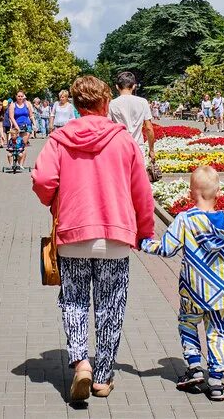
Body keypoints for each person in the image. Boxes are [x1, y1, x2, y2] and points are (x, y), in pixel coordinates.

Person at [31, 75, 155, 402]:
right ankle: (102, 377)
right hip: (114, 237)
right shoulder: (124, 141)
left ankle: (81, 363)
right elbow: (141, 191)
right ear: (104, 104)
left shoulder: (60, 138)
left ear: (75, 104)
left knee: (74, 301)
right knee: (110, 305)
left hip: (72, 233)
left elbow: (43, 179)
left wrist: (53, 199)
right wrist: (145, 231)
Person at [140, 165, 224, 402]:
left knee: (188, 325)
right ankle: (216, 381)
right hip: (220, 293)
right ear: (218, 192)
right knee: (218, 333)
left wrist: (144, 243)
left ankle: (195, 366)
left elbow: (167, 249)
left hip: (192, 291)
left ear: (191, 193)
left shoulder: (184, 220)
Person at [108, 71, 156, 162]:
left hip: (120, 148)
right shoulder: (143, 102)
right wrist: (151, 150)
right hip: (138, 147)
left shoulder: (112, 104)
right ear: (134, 86)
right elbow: (149, 128)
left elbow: (108, 127)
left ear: (117, 86)